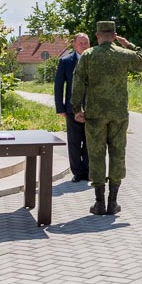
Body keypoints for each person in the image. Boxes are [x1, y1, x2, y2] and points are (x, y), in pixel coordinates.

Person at [70, 21, 142, 215]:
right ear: (115, 36)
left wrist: (76, 109)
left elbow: (78, 82)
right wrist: (128, 44)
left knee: (96, 155)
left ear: (97, 36)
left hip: (95, 115)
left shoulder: (88, 55)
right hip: (118, 114)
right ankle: (113, 202)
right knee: (117, 153)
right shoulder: (124, 55)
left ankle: (99, 203)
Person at [54, 32, 92, 181]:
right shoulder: (65, 62)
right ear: (74, 45)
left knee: (90, 141)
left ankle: (88, 171)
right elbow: (58, 86)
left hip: (92, 109)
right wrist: (60, 108)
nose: (84, 45)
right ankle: (77, 172)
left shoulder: (95, 60)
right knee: (75, 142)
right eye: (81, 43)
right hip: (72, 109)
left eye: (86, 42)